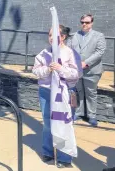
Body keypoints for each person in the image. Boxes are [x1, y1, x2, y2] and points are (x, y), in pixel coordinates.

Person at [32, 25, 81, 168]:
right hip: (46, 92)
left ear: (63, 37)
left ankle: (64, 157)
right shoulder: (43, 53)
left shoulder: (71, 53)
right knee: (48, 123)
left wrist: (61, 69)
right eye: (49, 35)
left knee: (63, 123)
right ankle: (48, 152)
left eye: (54, 35)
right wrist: (47, 69)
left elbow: (76, 74)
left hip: (64, 92)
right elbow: (35, 71)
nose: (51, 38)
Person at [69, 14, 106, 127]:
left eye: (87, 22)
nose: (84, 24)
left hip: (92, 70)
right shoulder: (75, 35)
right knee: (79, 91)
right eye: (82, 22)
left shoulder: (98, 36)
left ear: (92, 23)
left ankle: (92, 116)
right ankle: (79, 113)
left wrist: (86, 62)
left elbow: (100, 51)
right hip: (77, 70)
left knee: (91, 93)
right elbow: (69, 50)